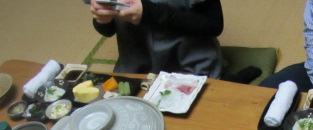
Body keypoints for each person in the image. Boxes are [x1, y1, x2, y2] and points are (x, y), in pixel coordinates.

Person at [88, 0, 261, 83]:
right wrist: (102, 19)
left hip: (189, 63)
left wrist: (150, 12)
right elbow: (108, 30)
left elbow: (213, 24)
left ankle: (230, 80)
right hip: (137, 64)